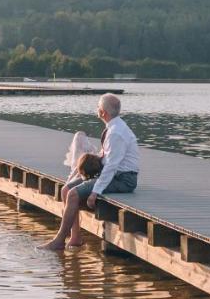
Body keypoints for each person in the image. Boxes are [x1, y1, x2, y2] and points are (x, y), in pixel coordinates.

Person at [41, 93, 140, 250]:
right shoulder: (113, 127)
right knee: (66, 189)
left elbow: (111, 167)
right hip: (112, 174)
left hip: (123, 179)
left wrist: (95, 192)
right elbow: (106, 158)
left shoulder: (116, 133)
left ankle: (59, 241)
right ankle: (75, 238)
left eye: (98, 107)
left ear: (102, 112)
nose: (97, 109)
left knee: (73, 194)